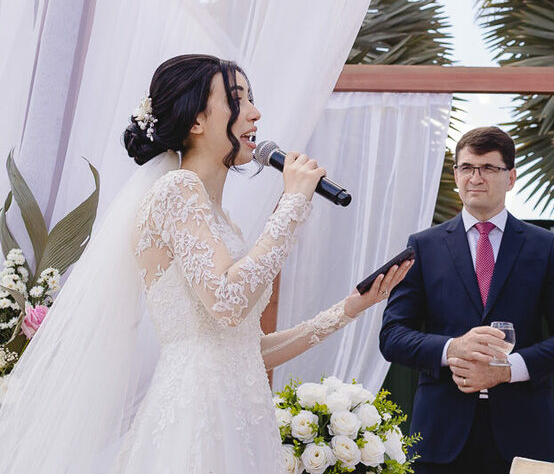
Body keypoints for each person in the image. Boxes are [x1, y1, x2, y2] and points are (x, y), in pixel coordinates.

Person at [0, 54, 411, 473]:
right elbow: (228, 302)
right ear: (196, 120)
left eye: (251, 98)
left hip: (241, 417)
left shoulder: (221, 219)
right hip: (196, 417)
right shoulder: (176, 190)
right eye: (237, 99)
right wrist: (292, 205)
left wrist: (349, 309)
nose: (255, 112)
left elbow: (246, 350)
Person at [379, 126, 554, 474]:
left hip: (525, 441)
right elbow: (392, 336)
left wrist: (507, 371)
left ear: (511, 178)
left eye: (488, 168)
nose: (475, 178)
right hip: (439, 440)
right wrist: (453, 348)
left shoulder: (545, 247)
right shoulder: (423, 246)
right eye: (467, 167)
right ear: (455, 175)